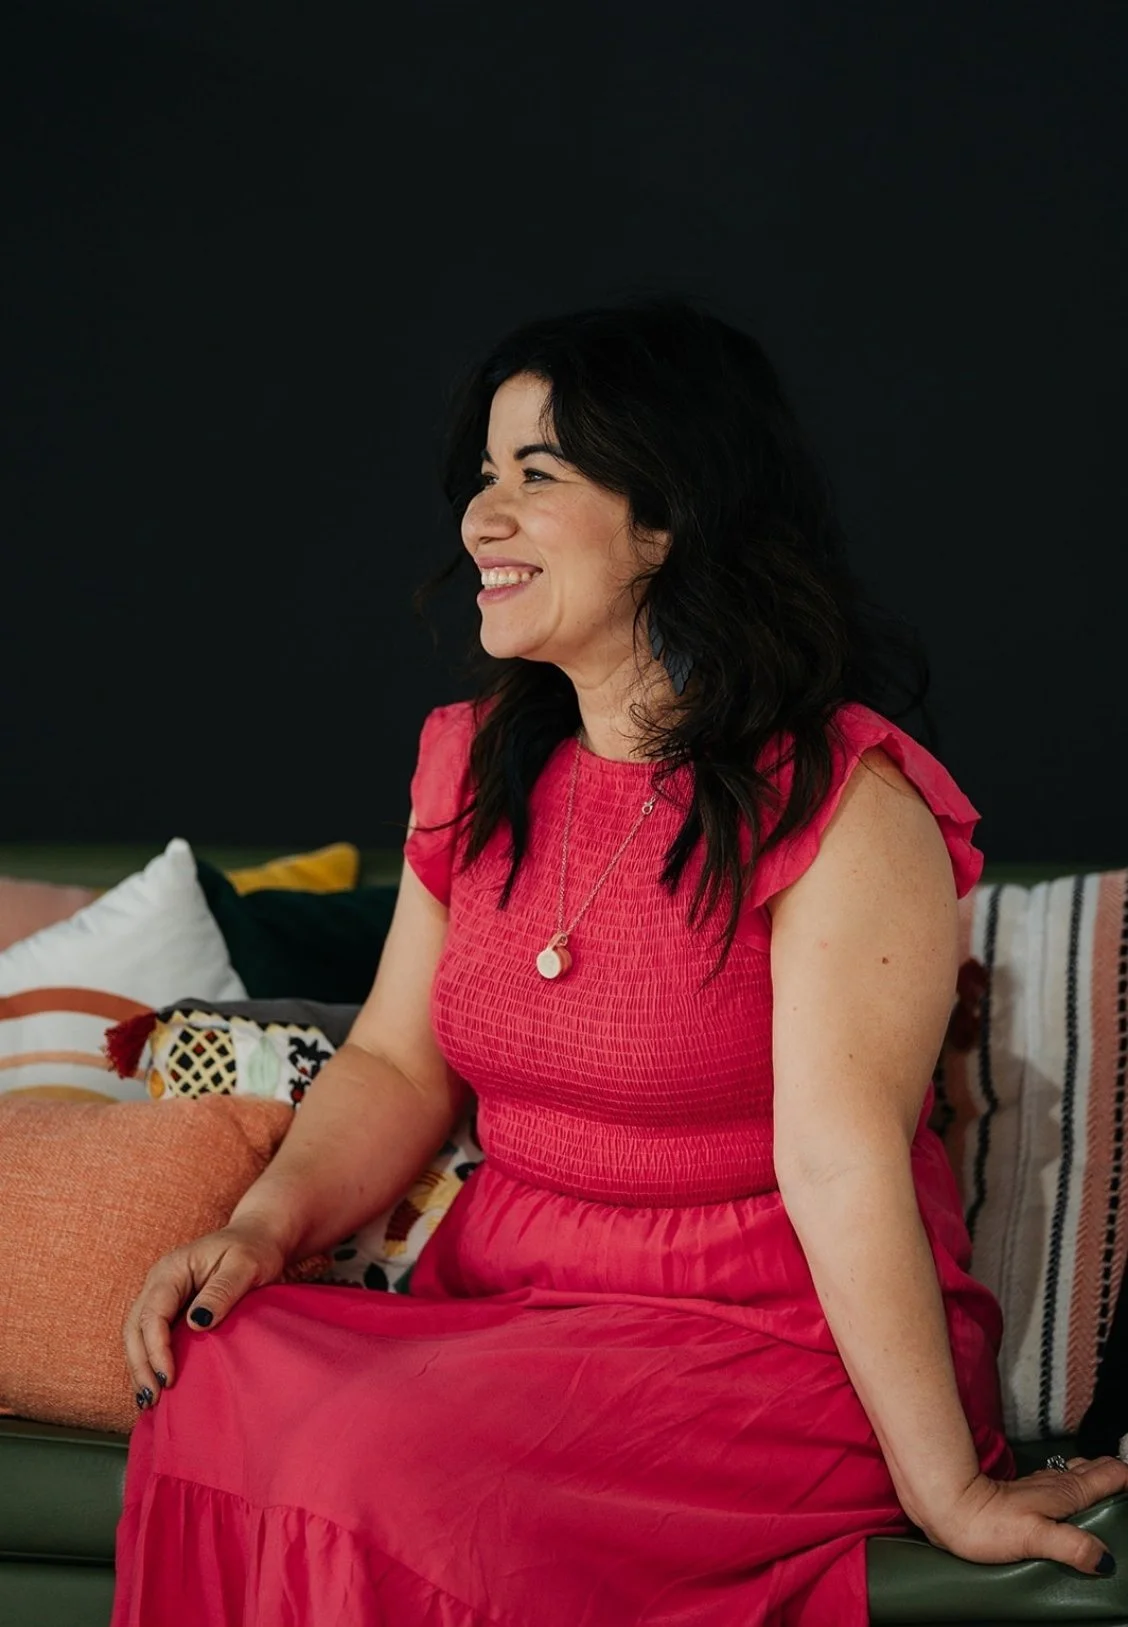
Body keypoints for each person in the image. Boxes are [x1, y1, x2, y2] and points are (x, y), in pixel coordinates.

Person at [114, 298, 1127, 1626]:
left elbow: (842, 1160)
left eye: (539, 474)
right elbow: (396, 1057)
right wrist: (260, 1226)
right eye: (484, 475)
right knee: (214, 1368)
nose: (483, 517)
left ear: (670, 519)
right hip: (511, 1308)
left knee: (387, 1466)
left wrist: (949, 1486)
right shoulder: (473, 762)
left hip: (761, 1338)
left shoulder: (841, 798)